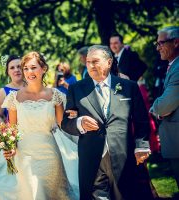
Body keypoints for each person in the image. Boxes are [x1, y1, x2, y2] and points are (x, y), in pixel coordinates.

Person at [61, 45, 151, 200]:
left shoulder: (128, 87)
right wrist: (79, 123)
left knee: (127, 194)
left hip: (124, 156)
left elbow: (141, 120)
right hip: (91, 158)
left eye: (95, 61)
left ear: (109, 62)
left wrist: (141, 145)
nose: (90, 65)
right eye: (88, 62)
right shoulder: (76, 89)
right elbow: (66, 123)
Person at [2, 51, 78, 199]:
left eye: (33, 67)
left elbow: (64, 125)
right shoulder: (14, 97)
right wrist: (10, 147)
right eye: (26, 68)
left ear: (43, 69)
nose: (29, 72)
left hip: (50, 154)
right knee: (34, 191)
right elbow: (12, 129)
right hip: (25, 155)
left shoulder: (55, 95)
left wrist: (77, 117)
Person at [150, 26, 179, 190]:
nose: (157, 47)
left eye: (161, 43)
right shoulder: (172, 66)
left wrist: (155, 110)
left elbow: (163, 106)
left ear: (176, 42)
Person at [0, 55, 23, 122]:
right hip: (13, 130)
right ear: (8, 72)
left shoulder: (32, 88)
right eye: (12, 68)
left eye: (19, 66)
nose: (16, 70)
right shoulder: (2, 92)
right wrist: (6, 131)